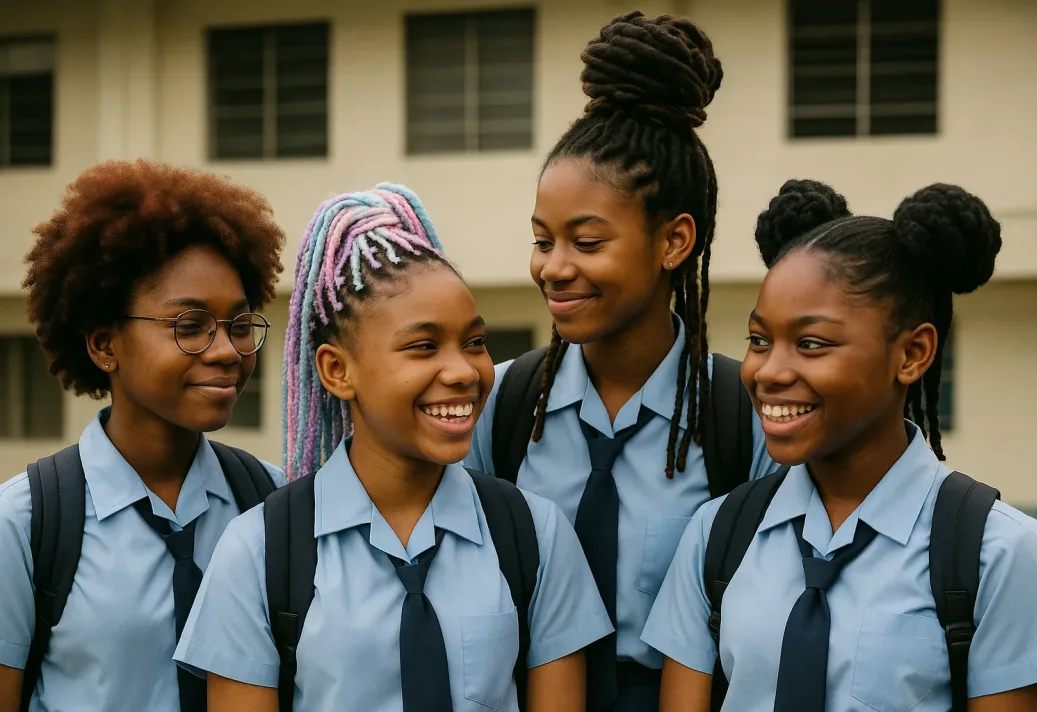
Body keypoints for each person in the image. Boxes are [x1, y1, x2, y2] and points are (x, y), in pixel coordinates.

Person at [173, 184, 612, 712]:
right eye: (423, 347)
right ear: (338, 370)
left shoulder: (534, 536)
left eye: (473, 342)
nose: (463, 372)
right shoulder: (258, 551)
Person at [642, 179, 1037, 711]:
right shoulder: (718, 534)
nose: (769, 371)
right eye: (758, 340)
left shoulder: (994, 552)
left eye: (811, 344)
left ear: (913, 353)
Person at [463, 12, 778, 711]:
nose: (554, 268)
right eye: (543, 240)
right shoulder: (508, 405)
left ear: (674, 242)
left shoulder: (741, 416)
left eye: (587, 241)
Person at [0, 159, 287, 712]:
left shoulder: (274, 505)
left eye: (239, 324)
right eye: (190, 325)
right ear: (104, 344)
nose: (226, 350)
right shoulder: (27, 525)